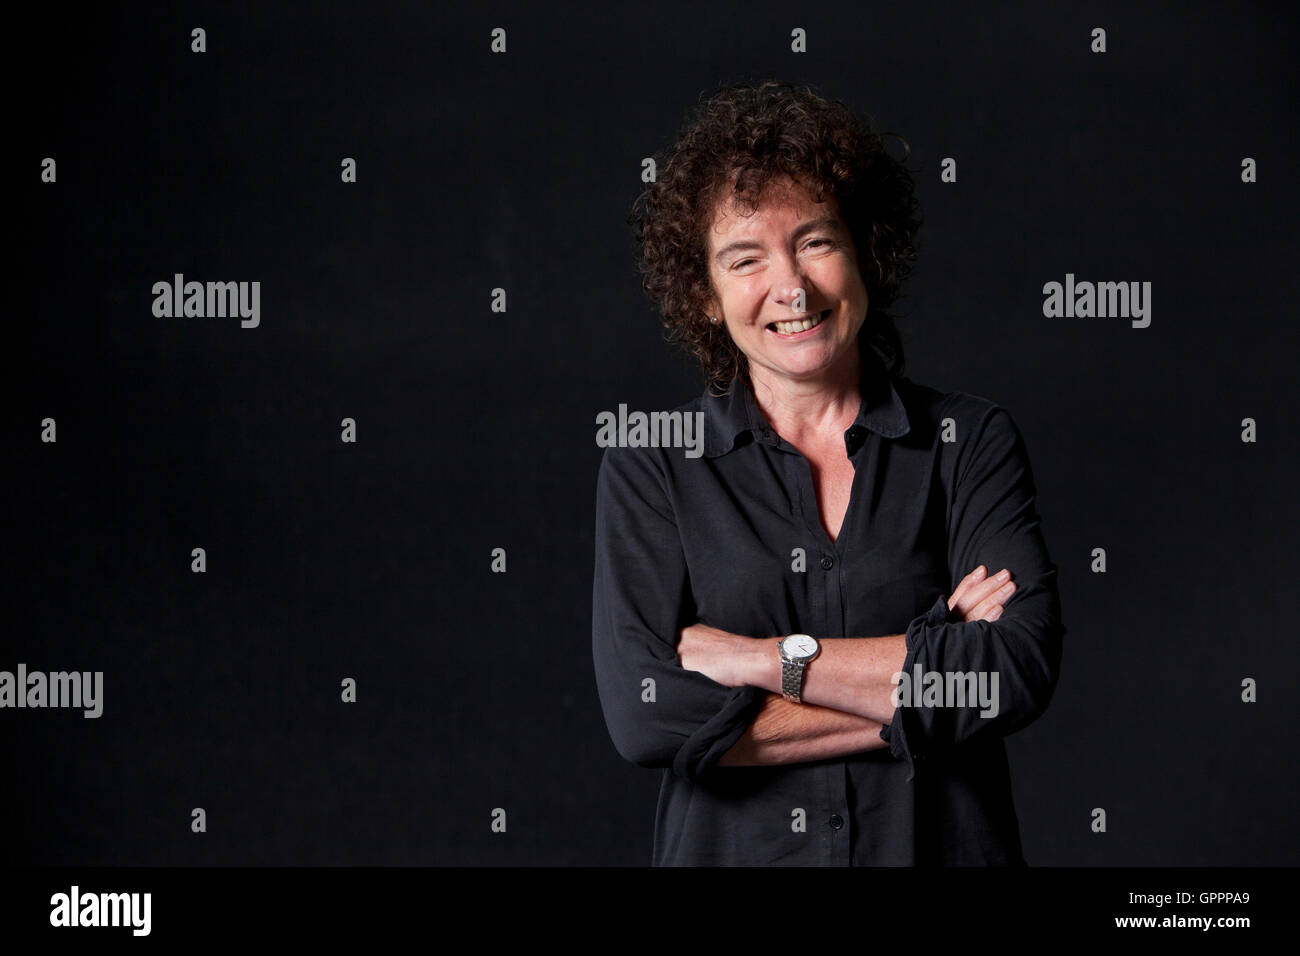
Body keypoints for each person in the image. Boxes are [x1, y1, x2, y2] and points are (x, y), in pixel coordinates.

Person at [592, 79, 1065, 865]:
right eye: (746, 258)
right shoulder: (652, 465)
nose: (792, 286)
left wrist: (759, 660)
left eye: (816, 241)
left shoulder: (969, 441)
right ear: (705, 296)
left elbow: (1011, 672)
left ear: (863, 254)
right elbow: (649, 718)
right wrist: (927, 663)